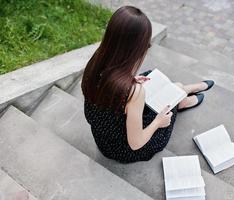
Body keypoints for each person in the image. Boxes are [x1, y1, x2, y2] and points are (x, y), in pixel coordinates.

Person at [82, 6, 214, 163]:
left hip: (103, 139)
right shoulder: (134, 92)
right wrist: (158, 122)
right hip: (124, 150)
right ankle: (182, 97)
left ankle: (184, 91)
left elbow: (104, 97)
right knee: (171, 95)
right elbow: (136, 143)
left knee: (149, 77)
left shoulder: (95, 63)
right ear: (135, 50)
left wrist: (131, 81)